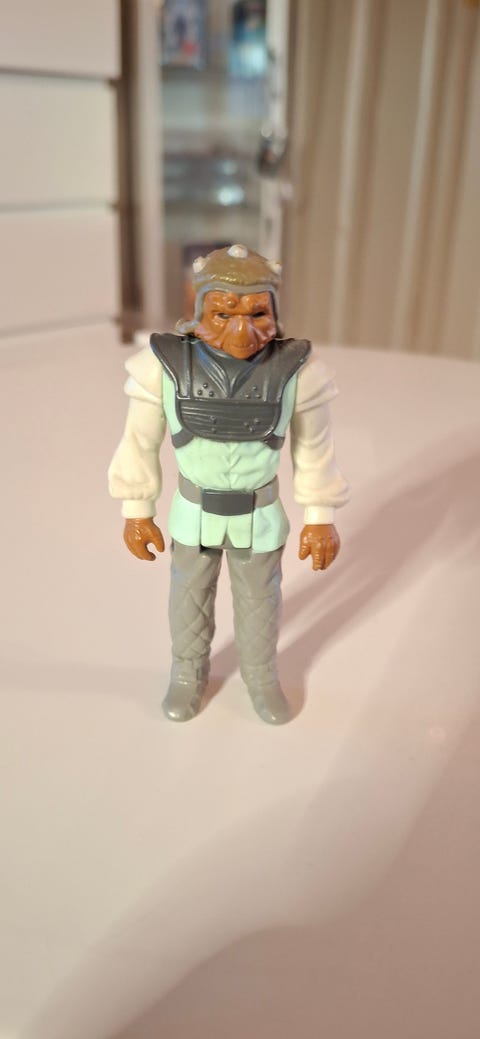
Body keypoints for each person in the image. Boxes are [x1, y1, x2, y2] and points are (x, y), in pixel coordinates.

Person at [108, 244, 349, 724]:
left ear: (274, 311)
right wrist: (136, 509)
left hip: (259, 517)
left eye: (257, 313)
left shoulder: (298, 373)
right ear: (199, 310)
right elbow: (138, 442)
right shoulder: (162, 368)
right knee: (188, 600)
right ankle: (187, 674)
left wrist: (320, 516)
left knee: (261, 603)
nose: (242, 330)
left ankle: (261, 676)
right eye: (223, 313)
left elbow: (313, 451)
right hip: (193, 514)